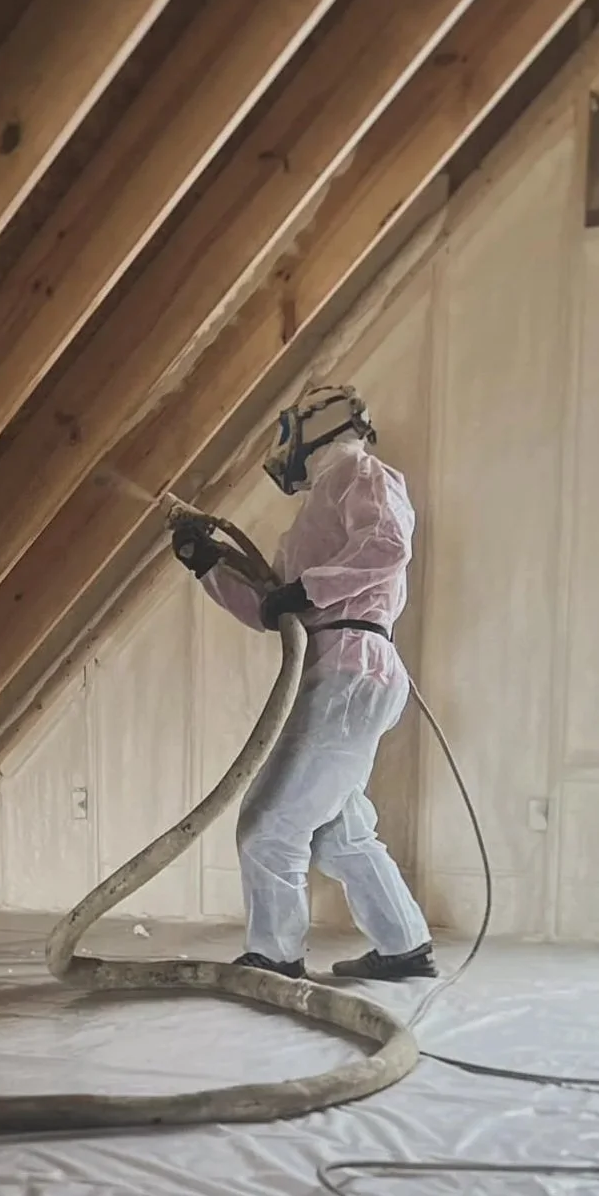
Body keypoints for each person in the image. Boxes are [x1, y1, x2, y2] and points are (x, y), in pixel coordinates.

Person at [172, 385, 435, 982]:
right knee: (336, 830)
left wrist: (310, 590)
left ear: (315, 428)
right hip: (337, 670)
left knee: (271, 825)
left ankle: (275, 958)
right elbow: (275, 609)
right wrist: (207, 564)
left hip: (349, 668)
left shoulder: (363, 474)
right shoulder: (318, 511)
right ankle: (404, 948)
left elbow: (389, 546)